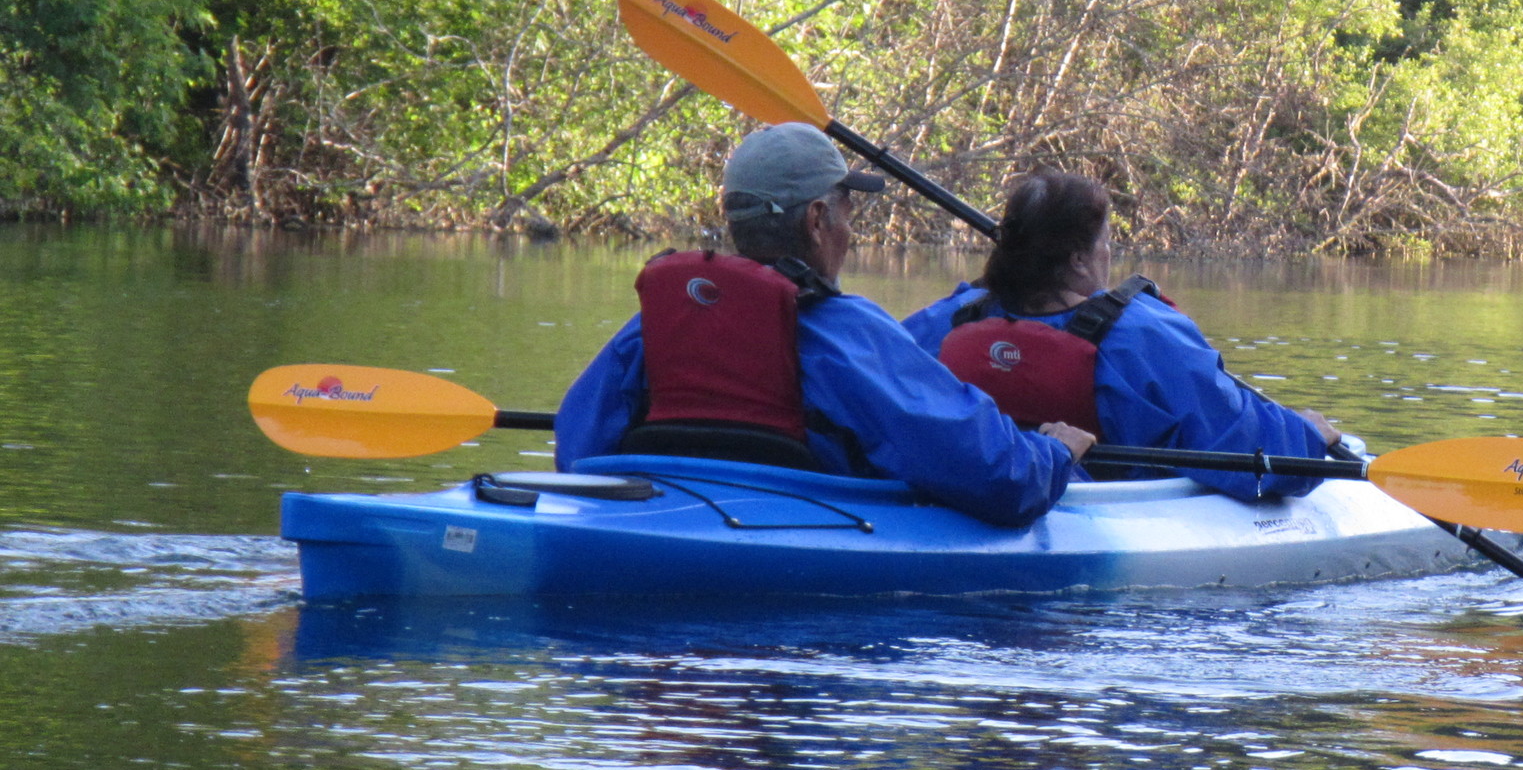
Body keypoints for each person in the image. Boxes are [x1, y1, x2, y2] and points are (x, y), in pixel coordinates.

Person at [555, 122, 1094, 527]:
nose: (849, 231)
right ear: (817, 219)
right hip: (808, 541)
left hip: (666, 525)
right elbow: (995, 475)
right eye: (847, 211)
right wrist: (1052, 454)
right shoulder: (846, 333)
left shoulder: (652, 327)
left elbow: (578, 451)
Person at [899, 172, 1339, 501]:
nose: (1109, 253)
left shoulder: (945, 319)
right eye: (1106, 241)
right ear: (1078, 259)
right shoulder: (1143, 335)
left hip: (954, 500)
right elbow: (1235, 440)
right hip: (1097, 512)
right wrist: (1305, 438)